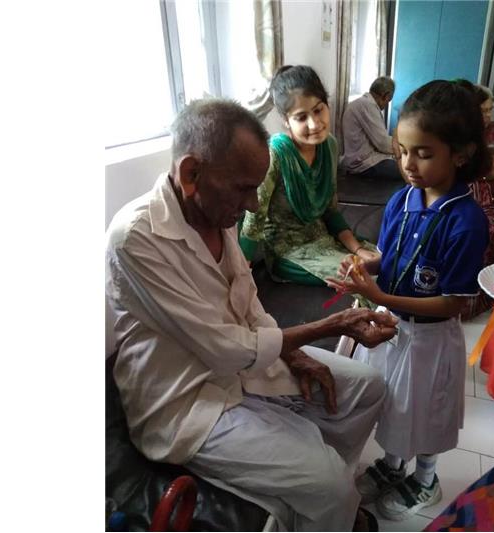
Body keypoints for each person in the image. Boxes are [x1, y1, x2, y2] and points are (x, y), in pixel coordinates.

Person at [105, 98, 400, 531]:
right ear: (191, 173)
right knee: (329, 484)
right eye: (244, 189)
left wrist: (292, 351)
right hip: (186, 401)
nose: (252, 206)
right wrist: (332, 324)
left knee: (367, 388)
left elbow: (248, 301)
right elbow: (224, 350)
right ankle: (327, 493)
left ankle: (320, 496)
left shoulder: (214, 211)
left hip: (242, 366)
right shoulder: (135, 237)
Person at [326, 80, 490, 521]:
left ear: (460, 154)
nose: (408, 164)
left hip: (430, 339)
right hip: (390, 326)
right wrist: (364, 267)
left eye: (423, 153)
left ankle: (427, 479)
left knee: (426, 410)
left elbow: (453, 304)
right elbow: (390, 258)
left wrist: (378, 295)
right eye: (401, 151)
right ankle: (393, 466)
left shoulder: (466, 221)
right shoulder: (401, 200)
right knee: (395, 404)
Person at [240, 65, 378, 286]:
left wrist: (358, 249)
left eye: (318, 110)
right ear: (286, 120)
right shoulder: (275, 154)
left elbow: (331, 211)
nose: (314, 124)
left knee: (390, 264)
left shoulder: (329, 146)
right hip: (289, 252)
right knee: (366, 280)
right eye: (301, 117)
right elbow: (253, 221)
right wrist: (238, 277)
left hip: (325, 238)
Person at [459, 83, 494, 320]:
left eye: (489, 110)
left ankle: (482, 298)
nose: (487, 115)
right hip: (465, 197)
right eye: (482, 110)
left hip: (490, 200)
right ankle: (457, 301)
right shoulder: (459, 135)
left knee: (492, 229)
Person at [340, 76, 401, 181]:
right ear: (385, 96)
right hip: (363, 164)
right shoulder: (367, 105)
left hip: (361, 159)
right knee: (408, 169)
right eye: (388, 101)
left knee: (403, 162)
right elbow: (383, 144)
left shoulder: (361, 103)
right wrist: (404, 148)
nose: (386, 105)